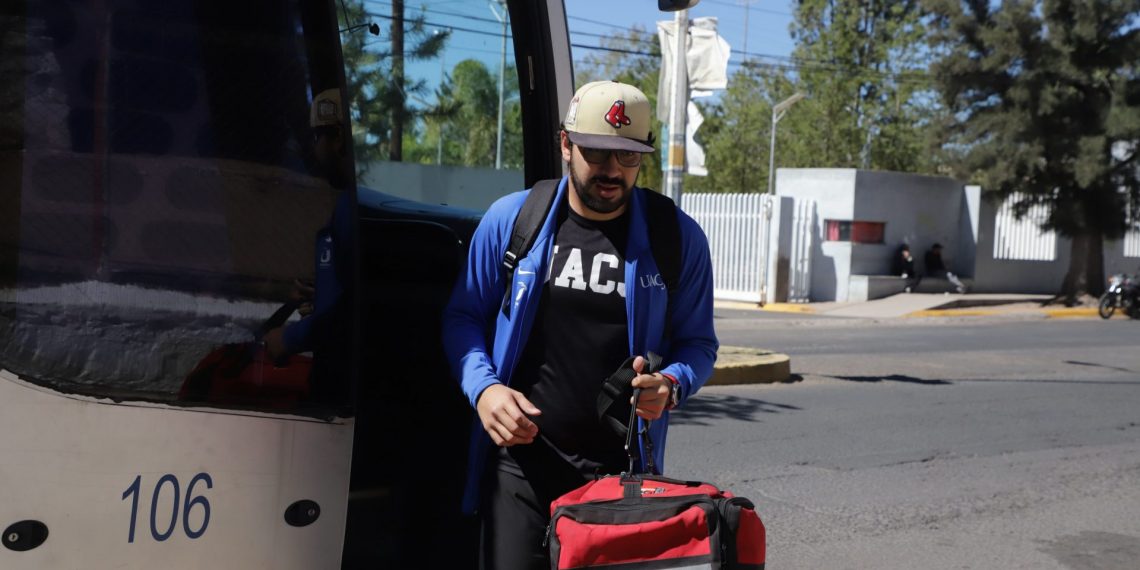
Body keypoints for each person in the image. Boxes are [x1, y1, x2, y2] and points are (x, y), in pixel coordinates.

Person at [442, 81, 719, 569]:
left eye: (629, 155)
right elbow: (463, 318)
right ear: (566, 144)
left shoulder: (677, 239)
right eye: (596, 151)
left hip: (622, 478)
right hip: (519, 469)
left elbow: (698, 344)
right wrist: (485, 390)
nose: (612, 170)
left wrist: (672, 385)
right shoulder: (513, 221)